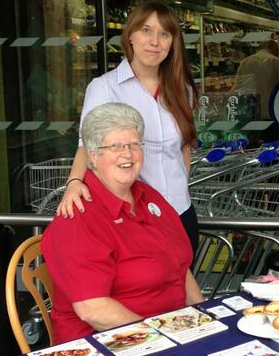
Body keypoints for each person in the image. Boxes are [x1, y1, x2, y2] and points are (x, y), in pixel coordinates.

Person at [43, 103, 203, 343]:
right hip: (107, 344)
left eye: (134, 144)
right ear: (94, 156)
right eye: (115, 146)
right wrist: (162, 339)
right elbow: (93, 310)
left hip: (170, 330)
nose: (127, 154)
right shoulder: (78, 218)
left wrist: (203, 318)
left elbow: (180, 269)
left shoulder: (150, 197)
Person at [57, 0, 200, 254]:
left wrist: (179, 189)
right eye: (146, 30)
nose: (154, 41)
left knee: (184, 279)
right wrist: (74, 183)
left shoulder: (182, 90)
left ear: (172, 43)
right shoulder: (105, 88)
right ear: (130, 36)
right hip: (135, 218)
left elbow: (183, 149)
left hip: (180, 213)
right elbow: (87, 148)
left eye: (164, 34)